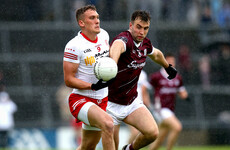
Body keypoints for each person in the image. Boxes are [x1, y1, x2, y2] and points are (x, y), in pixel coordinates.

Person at [106, 10, 178, 150]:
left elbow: (156, 54)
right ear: (131, 25)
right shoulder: (124, 39)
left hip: (131, 102)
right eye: (138, 27)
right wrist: (112, 64)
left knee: (152, 133)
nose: (142, 32)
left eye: (146, 28)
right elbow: (117, 46)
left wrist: (167, 67)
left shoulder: (145, 44)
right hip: (110, 104)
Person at [63, 5, 115, 150]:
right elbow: (68, 80)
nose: (97, 21)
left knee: (88, 146)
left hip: (102, 100)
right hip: (81, 99)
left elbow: (108, 63)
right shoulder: (74, 46)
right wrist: (92, 86)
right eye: (92, 18)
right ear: (82, 23)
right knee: (108, 124)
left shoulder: (104, 35)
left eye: (97, 17)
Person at [148, 53, 188, 150]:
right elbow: (145, 88)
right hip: (161, 109)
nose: (171, 63)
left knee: (159, 139)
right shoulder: (156, 76)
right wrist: (149, 104)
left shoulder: (177, 77)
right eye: (168, 61)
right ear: (164, 62)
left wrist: (185, 96)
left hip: (170, 110)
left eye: (172, 61)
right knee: (177, 127)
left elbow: (182, 92)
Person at [128, 70, 152, 143]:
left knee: (142, 132)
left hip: (138, 107)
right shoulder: (125, 69)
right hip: (127, 106)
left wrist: (147, 103)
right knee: (135, 132)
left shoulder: (143, 74)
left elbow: (144, 90)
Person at [0, 72, 17, 149]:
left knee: (4, 138)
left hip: (5, 123)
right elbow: (13, 108)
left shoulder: (7, 99)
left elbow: (13, 108)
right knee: (4, 138)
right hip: (5, 123)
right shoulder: (7, 100)